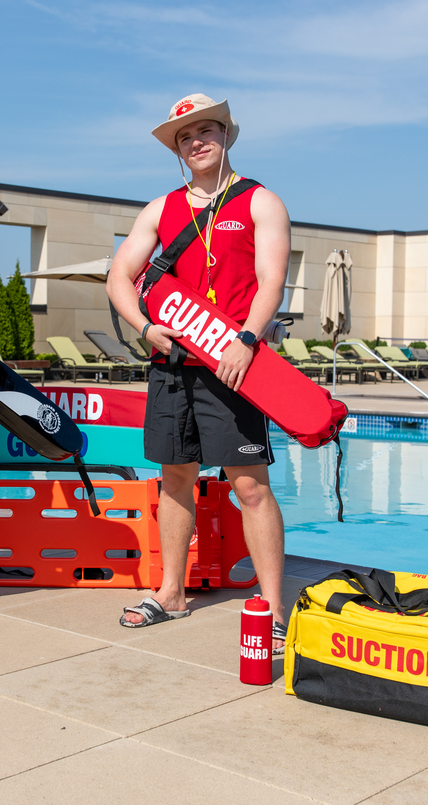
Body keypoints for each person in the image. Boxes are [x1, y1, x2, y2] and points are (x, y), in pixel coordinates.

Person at [106, 94, 291, 652]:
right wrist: (144, 327)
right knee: (175, 479)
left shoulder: (261, 201)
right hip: (172, 365)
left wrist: (245, 339)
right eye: (186, 136)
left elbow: (271, 282)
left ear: (226, 134)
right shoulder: (159, 210)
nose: (197, 141)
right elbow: (119, 278)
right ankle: (170, 593)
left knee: (250, 485)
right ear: (177, 148)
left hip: (234, 363)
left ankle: (275, 607)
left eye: (207, 130)